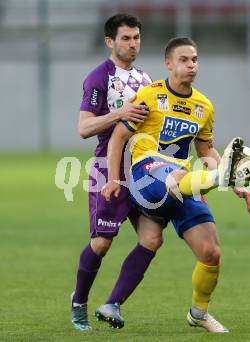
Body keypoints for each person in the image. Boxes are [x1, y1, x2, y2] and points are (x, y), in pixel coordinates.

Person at [95, 37, 250, 333]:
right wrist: (114, 178)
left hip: (182, 180)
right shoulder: (150, 95)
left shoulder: (203, 106)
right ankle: (218, 179)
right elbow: (118, 136)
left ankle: (198, 312)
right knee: (176, 179)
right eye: (184, 59)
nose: (191, 64)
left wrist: (231, 179)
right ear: (168, 63)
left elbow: (205, 151)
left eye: (194, 59)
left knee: (210, 252)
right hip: (145, 173)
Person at [71, 14, 154, 331]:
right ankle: (79, 301)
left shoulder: (146, 79)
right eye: (126, 39)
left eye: (136, 38)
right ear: (110, 42)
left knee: (152, 238)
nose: (133, 44)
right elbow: (83, 128)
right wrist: (118, 113)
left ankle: (113, 303)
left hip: (142, 171)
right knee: (103, 243)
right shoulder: (99, 77)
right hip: (109, 169)